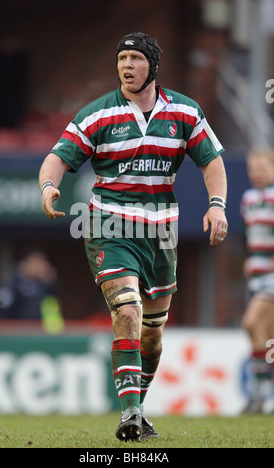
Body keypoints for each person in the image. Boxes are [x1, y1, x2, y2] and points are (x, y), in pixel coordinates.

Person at [39, 32, 228, 441]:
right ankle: (129, 414)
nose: (126, 65)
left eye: (135, 59)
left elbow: (211, 161)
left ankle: (138, 407)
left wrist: (216, 204)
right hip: (110, 225)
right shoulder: (98, 114)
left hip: (161, 232)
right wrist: (48, 187)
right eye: (122, 58)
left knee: (153, 333)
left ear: (152, 67)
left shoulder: (185, 111)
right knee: (127, 309)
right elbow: (56, 158)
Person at [240, 148, 274, 414]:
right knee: (265, 335)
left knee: (250, 323)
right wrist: (246, 258)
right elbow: (246, 234)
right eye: (254, 170)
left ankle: (262, 395)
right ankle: (261, 396)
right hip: (257, 274)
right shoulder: (249, 199)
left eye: (263, 169)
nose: (258, 175)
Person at [0, 249, 64, 334]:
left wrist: (52, 281)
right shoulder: (13, 281)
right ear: (26, 263)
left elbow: (58, 299)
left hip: (40, 330)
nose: (39, 267)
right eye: (36, 262)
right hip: (17, 330)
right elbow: (2, 304)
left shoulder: (45, 284)